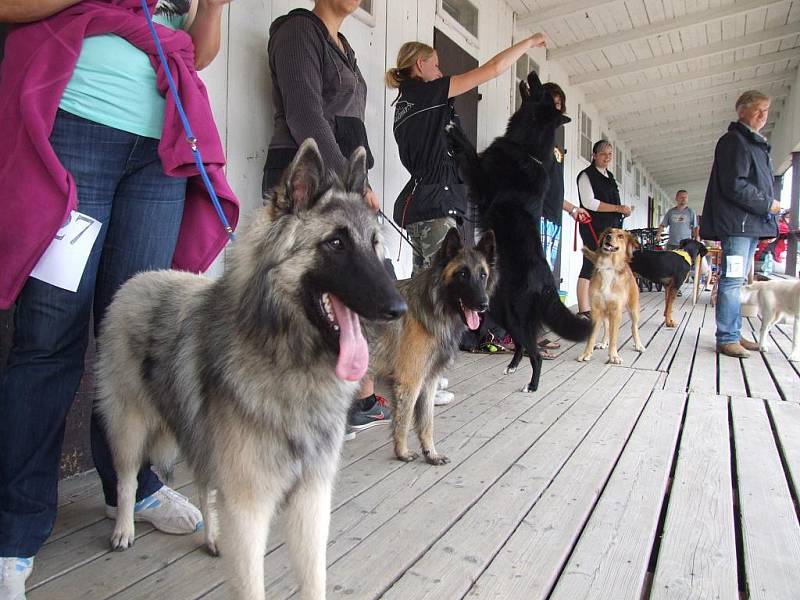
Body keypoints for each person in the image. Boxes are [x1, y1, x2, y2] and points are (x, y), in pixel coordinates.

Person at [0, 1, 237, 597]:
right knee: (48, 335)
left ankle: (132, 487)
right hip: (76, 123)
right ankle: (16, 523)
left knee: (142, 337)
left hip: (162, 150)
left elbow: (196, 51)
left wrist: (211, 8)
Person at [263, 0, 388, 436]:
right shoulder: (299, 30)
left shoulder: (345, 47)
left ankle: (353, 400)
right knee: (297, 303)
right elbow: (305, 115)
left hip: (345, 188)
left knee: (349, 296)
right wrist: (347, 189)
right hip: (310, 188)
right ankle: (294, 412)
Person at [385, 33, 546, 277]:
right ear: (420, 64)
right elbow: (493, 68)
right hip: (437, 205)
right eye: (436, 65)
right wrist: (529, 42)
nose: (440, 72)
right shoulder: (431, 93)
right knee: (445, 291)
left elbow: (440, 152)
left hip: (418, 206)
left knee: (423, 294)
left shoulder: (402, 107)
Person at [699, 90, 780, 358]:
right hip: (737, 225)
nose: (763, 116)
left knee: (738, 280)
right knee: (732, 282)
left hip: (748, 225)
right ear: (741, 111)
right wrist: (767, 203)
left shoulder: (754, 143)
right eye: (758, 110)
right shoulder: (734, 141)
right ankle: (727, 337)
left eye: (766, 111)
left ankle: (734, 332)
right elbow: (735, 184)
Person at [537, 81, 589, 357]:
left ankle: (539, 332)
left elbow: (554, 188)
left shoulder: (553, 139)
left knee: (546, 279)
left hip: (554, 218)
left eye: (559, 105)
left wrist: (570, 209)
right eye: (551, 103)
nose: (556, 109)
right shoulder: (533, 135)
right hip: (537, 218)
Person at [575, 140, 633, 317]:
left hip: (612, 230)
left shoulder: (610, 176)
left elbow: (614, 202)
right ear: (594, 155)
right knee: (590, 263)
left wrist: (623, 211)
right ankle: (583, 309)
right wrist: (617, 208)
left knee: (609, 266)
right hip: (594, 227)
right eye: (603, 154)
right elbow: (589, 202)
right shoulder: (586, 175)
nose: (607, 157)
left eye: (609, 154)